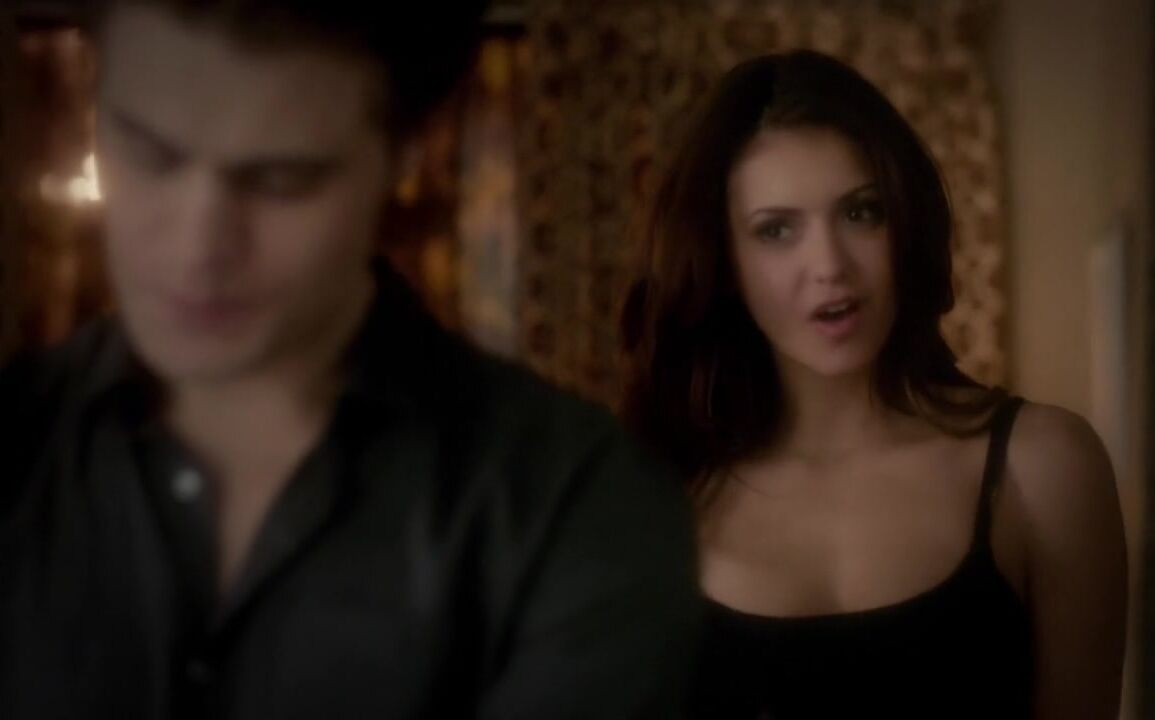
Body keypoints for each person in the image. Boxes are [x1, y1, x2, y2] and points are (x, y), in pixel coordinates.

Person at [0, 1, 701, 717]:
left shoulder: (575, 509)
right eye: (150, 154)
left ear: (405, 155)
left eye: (281, 181)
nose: (197, 248)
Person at [620, 50, 1127, 719]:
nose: (829, 264)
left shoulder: (1044, 469)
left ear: (905, 221)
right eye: (776, 230)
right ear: (727, 262)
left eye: (861, 212)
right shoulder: (658, 502)